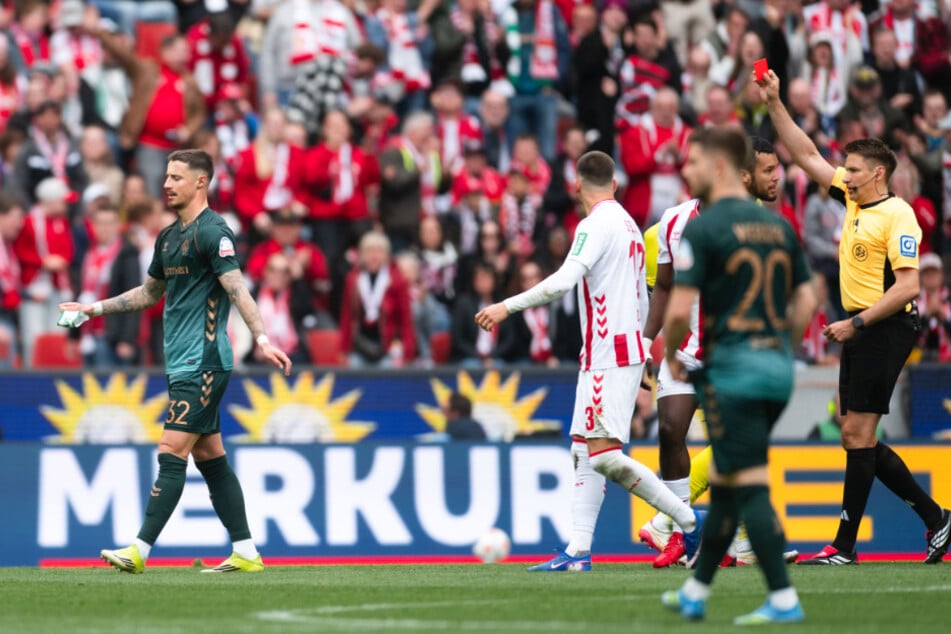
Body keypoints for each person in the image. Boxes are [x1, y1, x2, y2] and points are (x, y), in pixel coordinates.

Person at [58, 149, 292, 573]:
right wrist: (92, 309)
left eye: (176, 177)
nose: (166, 184)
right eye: (166, 176)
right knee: (210, 456)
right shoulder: (167, 238)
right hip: (181, 363)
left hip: (205, 361)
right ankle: (245, 551)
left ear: (200, 182)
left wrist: (261, 337)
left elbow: (238, 289)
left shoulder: (213, 232)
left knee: (171, 448)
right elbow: (149, 294)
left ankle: (139, 550)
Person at [757, 68, 951, 566]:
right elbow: (804, 155)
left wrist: (857, 323)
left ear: (878, 173)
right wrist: (776, 102)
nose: (844, 174)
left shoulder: (897, 214)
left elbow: (908, 286)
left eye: (854, 169)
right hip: (863, 328)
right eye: (845, 168)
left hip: (884, 327)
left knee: (856, 435)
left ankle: (847, 546)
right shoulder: (851, 198)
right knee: (855, 434)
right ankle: (937, 519)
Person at [474, 151, 703, 572]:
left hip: (608, 354)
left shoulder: (593, 225)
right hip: (614, 352)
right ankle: (578, 551)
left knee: (601, 455)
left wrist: (506, 306)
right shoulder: (630, 226)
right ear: (614, 184)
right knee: (583, 449)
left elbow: (564, 280)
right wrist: (643, 348)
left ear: (577, 185)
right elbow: (641, 293)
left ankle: (689, 522)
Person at [660, 126, 816, 625]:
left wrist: (671, 354)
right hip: (775, 369)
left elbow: (680, 310)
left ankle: (783, 598)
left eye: (695, 163)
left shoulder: (704, 229)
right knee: (727, 481)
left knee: (746, 482)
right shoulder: (778, 224)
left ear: (721, 166)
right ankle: (697, 590)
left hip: (733, 370)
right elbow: (809, 300)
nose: (687, 171)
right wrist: (780, 347)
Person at [639, 136, 788, 569]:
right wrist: (647, 339)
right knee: (670, 429)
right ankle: (685, 530)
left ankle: (732, 538)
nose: (690, 173)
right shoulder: (672, 221)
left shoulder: (751, 223)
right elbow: (664, 286)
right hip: (683, 350)